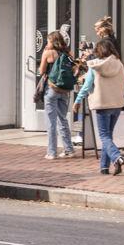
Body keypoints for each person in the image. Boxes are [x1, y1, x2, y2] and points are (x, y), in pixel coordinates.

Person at [85, 37, 124, 175]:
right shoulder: (120, 64)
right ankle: (104, 167)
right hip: (116, 105)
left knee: (104, 136)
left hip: (102, 105)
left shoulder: (95, 66)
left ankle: (117, 157)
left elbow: (87, 85)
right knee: (108, 136)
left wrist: (77, 100)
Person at [38, 31, 77, 160]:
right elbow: (74, 69)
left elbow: (41, 70)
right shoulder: (68, 53)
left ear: (52, 41)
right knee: (63, 119)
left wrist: (46, 54)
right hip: (65, 90)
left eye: (48, 41)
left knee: (51, 122)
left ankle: (52, 152)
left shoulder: (48, 53)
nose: (47, 43)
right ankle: (69, 149)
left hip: (52, 89)